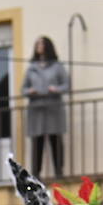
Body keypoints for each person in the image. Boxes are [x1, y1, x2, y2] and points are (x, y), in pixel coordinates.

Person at [22, 36, 68, 178]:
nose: (39, 46)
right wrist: (30, 91)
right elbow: (23, 89)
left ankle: (59, 172)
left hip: (53, 108)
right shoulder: (31, 68)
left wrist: (56, 89)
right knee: (37, 142)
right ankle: (36, 173)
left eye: (41, 43)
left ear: (47, 46)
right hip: (36, 109)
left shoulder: (57, 66)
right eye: (37, 44)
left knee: (56, 140)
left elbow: (66, 85)